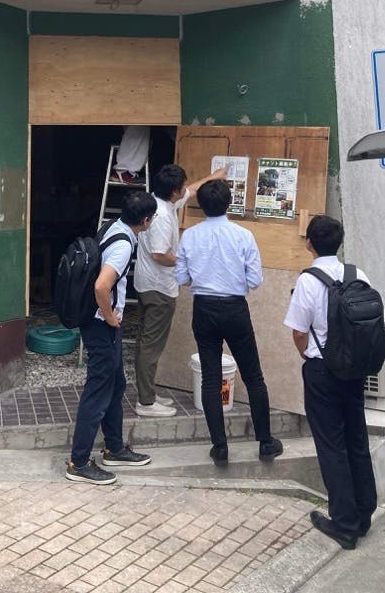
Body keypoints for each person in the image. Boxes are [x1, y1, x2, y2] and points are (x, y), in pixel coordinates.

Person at [283, 214, 377, 551]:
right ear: (340, 242)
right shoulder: (358, 275)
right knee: (356, 439)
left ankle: (344, 524)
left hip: (322, 370)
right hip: (355, 369)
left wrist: (307, 355)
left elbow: (298, 331)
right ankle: (364, 513)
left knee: (331, 445)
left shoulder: (308, 281)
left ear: (309, 243)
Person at [175, 179, 283, 466]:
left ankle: (220, 446)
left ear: (201, 205)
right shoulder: (243, 235)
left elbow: (182, 277)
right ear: (229, 203)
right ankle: (265, 442)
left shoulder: (189, 236)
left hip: (204, 308)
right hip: (235, 308)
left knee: (210, 378)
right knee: (253, 376)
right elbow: (255, 280)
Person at [66, 190, 158, 485]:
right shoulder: (123, 245)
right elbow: (101, 286)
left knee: (116, 384)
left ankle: (114, 448)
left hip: (102, 324)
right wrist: (109, 316)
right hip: (101, 325)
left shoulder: (113, 226)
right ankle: (79, 463)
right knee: (98, 391)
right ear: (146, 221)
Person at [134, 162, 227, 418]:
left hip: (148, 283)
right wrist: (188, 262)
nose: (186, 188)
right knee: (151, 345)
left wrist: (214, 176)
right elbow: (159, 255)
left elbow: (192, 190)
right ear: (174, 191)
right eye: (182, 186)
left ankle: (147, 392)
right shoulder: (163, 217)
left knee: (146, 341)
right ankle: (145, 402)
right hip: (158, 288)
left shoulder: (160, 202)